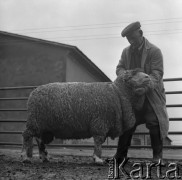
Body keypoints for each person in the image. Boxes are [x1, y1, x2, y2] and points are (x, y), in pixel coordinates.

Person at [115, 21, 169, 163]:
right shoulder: (126, 52)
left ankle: (157, 157)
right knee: (128, 122)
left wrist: (144, 87)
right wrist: (124, 74)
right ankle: (120, 157)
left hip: (151, 96)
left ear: (140, 33)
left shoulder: (155, 51)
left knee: (154, 121)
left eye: (133, 38)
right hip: (133, 97)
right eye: (129, 40)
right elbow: (119, 68)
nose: (131, 42)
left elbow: (157, 73)